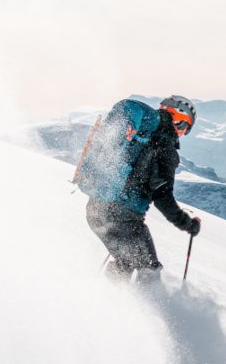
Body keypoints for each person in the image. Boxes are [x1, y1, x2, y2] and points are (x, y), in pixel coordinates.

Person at [80, 95, 202, 282]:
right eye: (185, 128)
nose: (182, 134)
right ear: (179, 120)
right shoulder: (164, 147)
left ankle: (107, 304)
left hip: (96, 211)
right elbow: (162, 196)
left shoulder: (142, 135)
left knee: (125, 263)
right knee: (149, 270)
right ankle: (146, 308)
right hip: (124, 219)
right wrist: (187, 223)